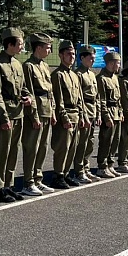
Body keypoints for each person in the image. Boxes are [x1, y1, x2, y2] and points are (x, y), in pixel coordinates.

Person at [0, 28, 31, 203]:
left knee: (14, 151)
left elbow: (23, 87)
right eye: (20, 44)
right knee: (2, 152)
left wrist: (28, 96)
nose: (22, 47)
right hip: (5, 114)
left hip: (18, 112)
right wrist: (3, 118)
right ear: (10, 44)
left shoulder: (17, 64)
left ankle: (8, 185)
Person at [21, 32, 56, 196]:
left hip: (47, 110)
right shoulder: (28, 66)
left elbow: (50, 91)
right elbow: (29, 92)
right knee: (32, 148)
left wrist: (53, 111)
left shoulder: (44, 65)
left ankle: (38, 179)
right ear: (39, 47)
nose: (49, 51)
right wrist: (34, 116)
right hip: (36, 112)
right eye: (48, 47)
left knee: (43, 147)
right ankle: (28, 182)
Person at [49, 40, 81, 189]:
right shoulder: (57, 75)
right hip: (66, 115)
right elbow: (58, 99)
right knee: (63, 147)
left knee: (72, 148)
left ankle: (66, 174)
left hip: (75, 114)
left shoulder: (74, 75)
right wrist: (64, 118)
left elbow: (79, 98)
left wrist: (81, 116)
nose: (71, 56)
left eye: (73, 54)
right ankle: (58, 175)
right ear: (61, 55)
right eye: (68, 54)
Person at [74, 45, 101, 183]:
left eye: (94, 58)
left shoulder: (92, 74)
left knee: (90, 143)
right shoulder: (78, 74)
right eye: (90, 57)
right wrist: (83, 115)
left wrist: (98, 114)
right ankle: (78, 171)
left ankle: (86, 168)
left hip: (92, 110)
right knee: (82, 143)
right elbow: (79, 97)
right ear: (82, 58)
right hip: (84, 111)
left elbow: (96, 97)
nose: (92, 60)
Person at [96, 50, 123, 177]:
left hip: (116, 112)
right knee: (106, 141)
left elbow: (118, 98)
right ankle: (102, 166)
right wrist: (106, 116)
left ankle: (110, 164)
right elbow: (102, 99)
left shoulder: (115, 78)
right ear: (111, 63)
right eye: (118, 63)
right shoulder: (102, 79)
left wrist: (121, 112)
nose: (119, 66)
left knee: (115, 141)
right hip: (109, 112)